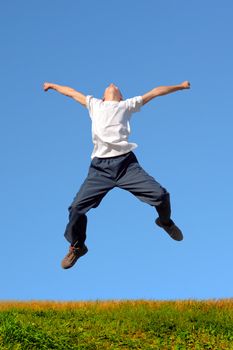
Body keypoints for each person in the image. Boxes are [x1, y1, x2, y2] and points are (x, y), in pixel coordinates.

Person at [44, 80, 190, 269]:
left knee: (161, 196)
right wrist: (53, 86)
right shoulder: (94, 104)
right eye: (108, 86)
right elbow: (71, 92)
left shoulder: (127, 105)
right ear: (103, 97)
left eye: (118, 87)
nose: (112, 84)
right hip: (100, 169)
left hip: (126, 165)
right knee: (76, 209)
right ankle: (78, 246)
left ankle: (165, 222)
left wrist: (180, 86)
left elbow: (155, 92)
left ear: (121, 97)